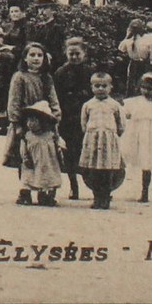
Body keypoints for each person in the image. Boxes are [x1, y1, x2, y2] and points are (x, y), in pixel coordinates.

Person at [4, 42, 60, 173]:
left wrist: (56, 117)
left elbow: (53, 99)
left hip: (44, 120)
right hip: (25, 120)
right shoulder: (19, 77)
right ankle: (25, 188)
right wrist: (16, 123)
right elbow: (14, 101)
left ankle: (42, 188)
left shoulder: (46, 77)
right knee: (24, 154)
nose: (36, 58)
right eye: (32, 55)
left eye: (40, 55)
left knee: (43, 154)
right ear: (25, 58)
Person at [54, 36, 96, 200]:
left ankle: (95, 187)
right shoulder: (61, 72)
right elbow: (56, 95)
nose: (74, 57)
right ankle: (73, 186)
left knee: (90, 152)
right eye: (71, 54)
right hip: (68, 118)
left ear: (84, 53)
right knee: (70, 153)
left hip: (88, 117)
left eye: (77, 53)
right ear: (66, 53)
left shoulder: (90, 71)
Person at [120, 73, 152, 202]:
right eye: (144, 87)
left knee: (147, 162)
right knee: (127, 158)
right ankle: (116, 187)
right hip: (134, 134)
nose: (146, 91)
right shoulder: (134, 102)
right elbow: (122, 114)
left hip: (151, 136)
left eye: (150, 88)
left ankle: (145, 191)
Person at [79, 71, 125, 210]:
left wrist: (112, 137)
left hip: (108, 142)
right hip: (93, 140)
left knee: (107, 171)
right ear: (91, 87)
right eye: (97, 86)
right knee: (93, 171)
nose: (100, 89)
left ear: (110, 87)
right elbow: (83, 123)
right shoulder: (88, 105)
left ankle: (105, 197)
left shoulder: (115, 105)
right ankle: (96, 197)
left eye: (104, 86)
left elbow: (121, 125)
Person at [17, 101, 63, 206]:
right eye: (29, 120)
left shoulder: (50, 136)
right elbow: (23, 149)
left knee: (47, 179)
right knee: (28, 178)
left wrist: (60, 153)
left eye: (34, 120)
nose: (30, 123)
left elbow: (59, 145)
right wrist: (25, 158)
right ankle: (25, 195)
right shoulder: (27, 136)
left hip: (47, 162)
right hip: (31, 162)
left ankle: (46, 196)